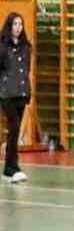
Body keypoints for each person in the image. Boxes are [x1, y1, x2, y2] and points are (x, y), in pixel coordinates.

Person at [1, 10, 32, 182]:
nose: (18, 27)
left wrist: (27, 90)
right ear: (9, 26)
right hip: (6, 93)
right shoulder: (2, 46)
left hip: (21, 93)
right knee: (13, 127)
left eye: (20, 24)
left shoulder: (26, 46)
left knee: (16, 129)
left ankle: (9, 167)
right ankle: (12, 167)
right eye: (15, 24)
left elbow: (26, 70)